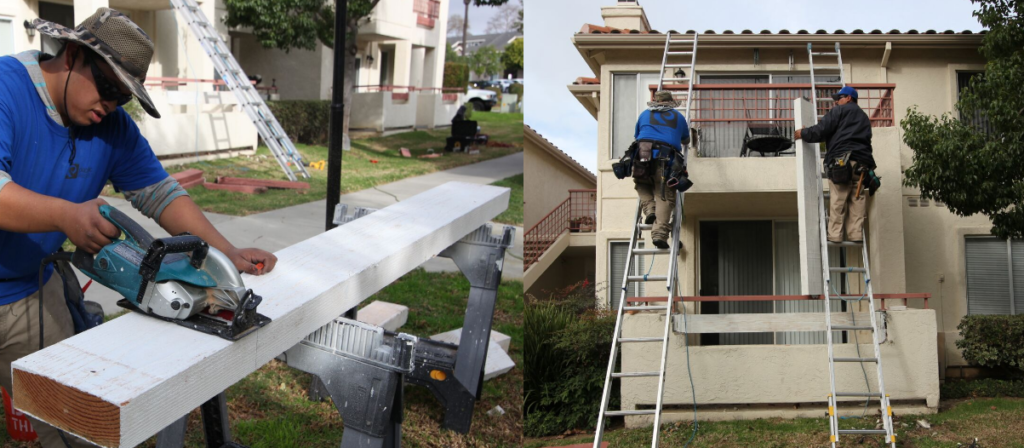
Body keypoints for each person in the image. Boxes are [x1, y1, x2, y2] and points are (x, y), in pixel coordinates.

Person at [0, 9, 277, 447]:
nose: (109, 104)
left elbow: (162, 195)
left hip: (29, 294)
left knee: (72, 429)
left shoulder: (111, 128)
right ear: (72, 54)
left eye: (122, 97)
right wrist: (66, 215)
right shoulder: (5, 89)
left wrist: (225, 253)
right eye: (107, 86)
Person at [795, 86, 878, 243]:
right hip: (862, 164)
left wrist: (804, 133)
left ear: (848, 98)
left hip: (842, 162)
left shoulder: (839, 111)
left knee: (839, 197)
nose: (836, 102)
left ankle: (834, 235)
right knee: (857, 197)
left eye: (839, 98)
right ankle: (855, 234)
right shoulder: (864, 117)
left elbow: (822, 130)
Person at [632, 90, 691, 249]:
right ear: (670, 103)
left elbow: (637, 135)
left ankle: (650, 209)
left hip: (642, 154)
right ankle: (659, 234)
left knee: (641, 183)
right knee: (664, 195)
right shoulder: (678, 117)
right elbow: (686, 139)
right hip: (665, 159)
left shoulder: (644, 114)